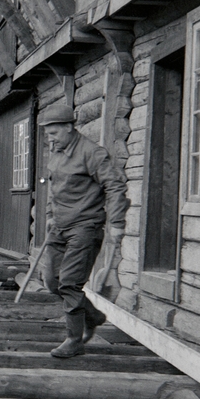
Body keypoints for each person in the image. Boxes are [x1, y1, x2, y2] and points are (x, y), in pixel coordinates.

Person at [39, 105, 128, 358]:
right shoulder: (57, 152)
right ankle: (93, 315)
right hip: (59, 226)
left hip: (85, 226)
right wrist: (48, 216)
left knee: (69, 283)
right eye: (48, 134)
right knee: (52, 281)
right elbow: (53, 186)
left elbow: (115, 187)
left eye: (54, 133)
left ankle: (74, 340)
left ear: (69, 127)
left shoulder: (92, 153)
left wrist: (118, 223)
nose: (51, 139)